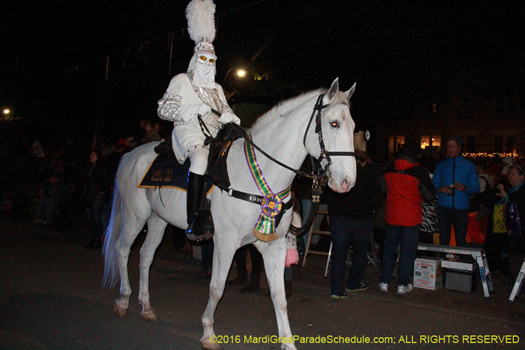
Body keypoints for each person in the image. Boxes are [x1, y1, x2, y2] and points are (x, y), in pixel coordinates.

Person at [157, 0, 240, 242]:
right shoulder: (182, 80)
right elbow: (165, 109)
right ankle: (193, 216)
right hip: (188, 131)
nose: (208, 65)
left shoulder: (216, 88)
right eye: (204, 60)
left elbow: (225, 109)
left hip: (215, 135)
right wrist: (194, 108)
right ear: (195, 60)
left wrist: (230, 116)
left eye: (212, 61)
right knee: (201, 158)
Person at [323, 150, 382, 300]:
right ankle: (354, 283)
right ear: (364, 161)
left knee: (338, 254)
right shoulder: (367, 176)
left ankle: (337, 289)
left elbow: (327, 195)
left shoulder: (338, 174)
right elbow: (375, 199)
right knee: (359, 253)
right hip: (360, 220)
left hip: (339, 218)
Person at [378, 142, 435, 295]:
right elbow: (430, 195)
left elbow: (383, 189)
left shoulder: (390, 167)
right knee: (407, 252)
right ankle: (402, 284)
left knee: (389, 250)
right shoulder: (419, 171)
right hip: (411, 217)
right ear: (417, 155)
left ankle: (384, 281)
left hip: (392, 214)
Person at [433, 136, 480, 247]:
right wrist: (441, 189)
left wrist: (464, 189)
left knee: (461, 238)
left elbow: (476, 188)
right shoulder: (440, 166)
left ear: (459, 148)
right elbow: (433, 186)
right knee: (443, 238)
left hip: (461, 208)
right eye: (448, 147)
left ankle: (461, 261)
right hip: (444, 207)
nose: (450, 149)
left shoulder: (469, 166)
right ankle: (443, 262)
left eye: (453, 146)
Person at [496, 165, 525, 282]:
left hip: (521, 229)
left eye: (513, 174)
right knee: (512, 254)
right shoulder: (513, 190)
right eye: (510, 174)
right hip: (513, 229)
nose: (510, 177)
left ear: (521, 177)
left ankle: (520, 281)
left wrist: (506, 197)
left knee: (519, 254)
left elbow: (518, 204)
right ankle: (515, 280)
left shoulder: (521, 191)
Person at [83, 150, 109, 249]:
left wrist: (105, 196)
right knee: (90, 218)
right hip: (89, 194)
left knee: (96, 217)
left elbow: (106, 182)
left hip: (98, 194)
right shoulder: (89, 168)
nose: (91, 156)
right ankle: (92, 238)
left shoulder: (101, 168)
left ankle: (99, 239)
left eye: (93, 155)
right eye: (90, 154)